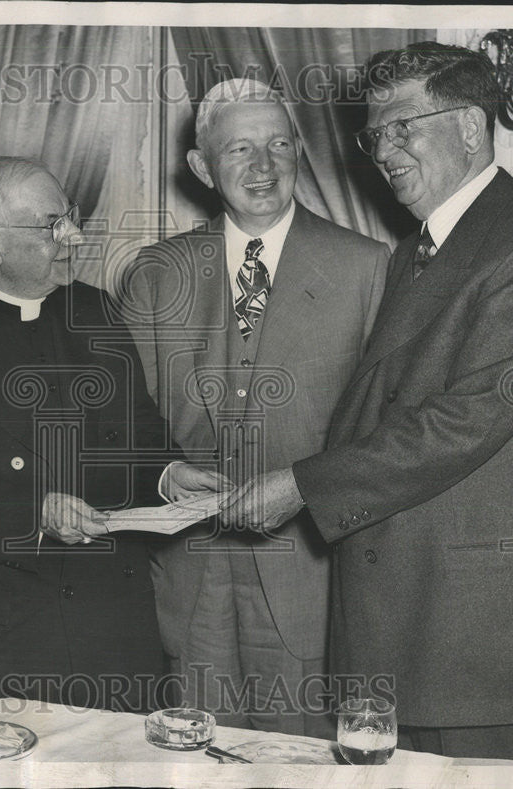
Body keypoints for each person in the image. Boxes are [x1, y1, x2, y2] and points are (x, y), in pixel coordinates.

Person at [222, 43, 513, 765]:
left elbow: (470, 419)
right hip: (410, 632)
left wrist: (302, 485)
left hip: (488, 651)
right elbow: (384, 413)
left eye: (403, 128)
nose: (383, 152)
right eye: (374, 135)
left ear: (470, 126)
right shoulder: (415, 251)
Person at [0, 156, 226, 712]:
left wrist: (167, 471)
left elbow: (139, 431)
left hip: (112, 630)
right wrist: (34, 510)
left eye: (70, 216)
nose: (73, 236)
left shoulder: (95, 311)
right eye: (51, 224)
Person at [120, 78, 390, 737]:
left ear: (300, 151)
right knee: (198, 757)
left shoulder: (368, 268)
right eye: (240, 148)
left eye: (277, 144)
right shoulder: (156, 274)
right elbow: (124, 424)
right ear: (201, 166)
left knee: (302, 763)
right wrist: (161, 473)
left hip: (314, 580)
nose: (262, 166)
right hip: (191, 579)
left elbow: (389, 432)